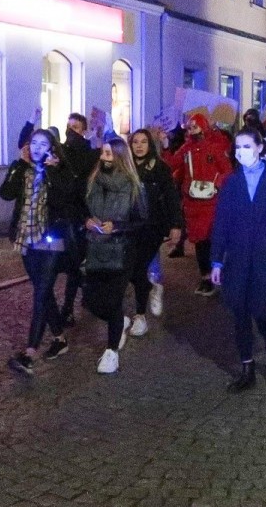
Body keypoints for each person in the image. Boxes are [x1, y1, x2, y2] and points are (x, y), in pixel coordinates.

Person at [210, 129, 266, 391]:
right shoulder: (231, 183)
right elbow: (221, 223)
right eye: (237, 147)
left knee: (260, 310)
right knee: (240, 313)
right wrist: (216, 260)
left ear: (260, 147)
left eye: (246, 146)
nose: (241, 152)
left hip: (265, 258)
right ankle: (247, 367)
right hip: (237, 259)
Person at [1, 129, 76, 375]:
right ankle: (59, 338)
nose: (37, 147)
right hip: (26, 238)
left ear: (52, 147)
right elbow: (6, 193)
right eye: (34, 142)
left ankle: (30, 352)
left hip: (51, 238)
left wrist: (51, 171)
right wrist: (17, 165)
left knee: (41, 292)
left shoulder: (60, 170)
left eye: (43, 144)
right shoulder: (23, 168)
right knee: (43, 292)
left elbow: (66, 198)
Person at [82, 137, 145, 374]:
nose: (104, 157)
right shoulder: (93, 181)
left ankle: (111, 352)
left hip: (123, 251)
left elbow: (142, 221)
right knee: (92, 301)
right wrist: (86, 221)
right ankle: (120, 323)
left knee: (113, 300)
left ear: (119, 156)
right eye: (103, 153)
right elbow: (82, 208)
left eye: (108, 154)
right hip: (96, 248)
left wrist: (117, 226)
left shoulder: (133, 186)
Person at [128, 128, 184, 336]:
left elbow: (171, 197)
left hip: (152, 226)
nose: (139, 146)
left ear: (150, 145)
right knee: (132, 271)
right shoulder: (126, 167)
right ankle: (152, 287)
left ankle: (140, 316)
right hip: (129, 227)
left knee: (141, 267)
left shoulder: (160, 168)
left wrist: (175, 225)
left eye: (143, 142)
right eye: (135, 142)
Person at [169, 113, 232, 296]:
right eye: (189, 128)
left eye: (195, 126)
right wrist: (165, 146)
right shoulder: (186, 148)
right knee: (200, 242)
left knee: (209, 241)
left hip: (211, 203)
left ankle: (212, 275)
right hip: (193, 203)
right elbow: (171, 163)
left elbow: (227, 170)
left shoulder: (215, 147)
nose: (191, 130)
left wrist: (216, 184)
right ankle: (206, 277)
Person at [57, 112, 99, 325]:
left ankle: (69, 306)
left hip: (80, 214)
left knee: (75, 262)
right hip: (62, 214)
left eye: (76, 127)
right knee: (67, 262)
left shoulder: (89, 153)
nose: (70, 131)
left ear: (84, 131)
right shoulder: (61, 151)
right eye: (69, 126)